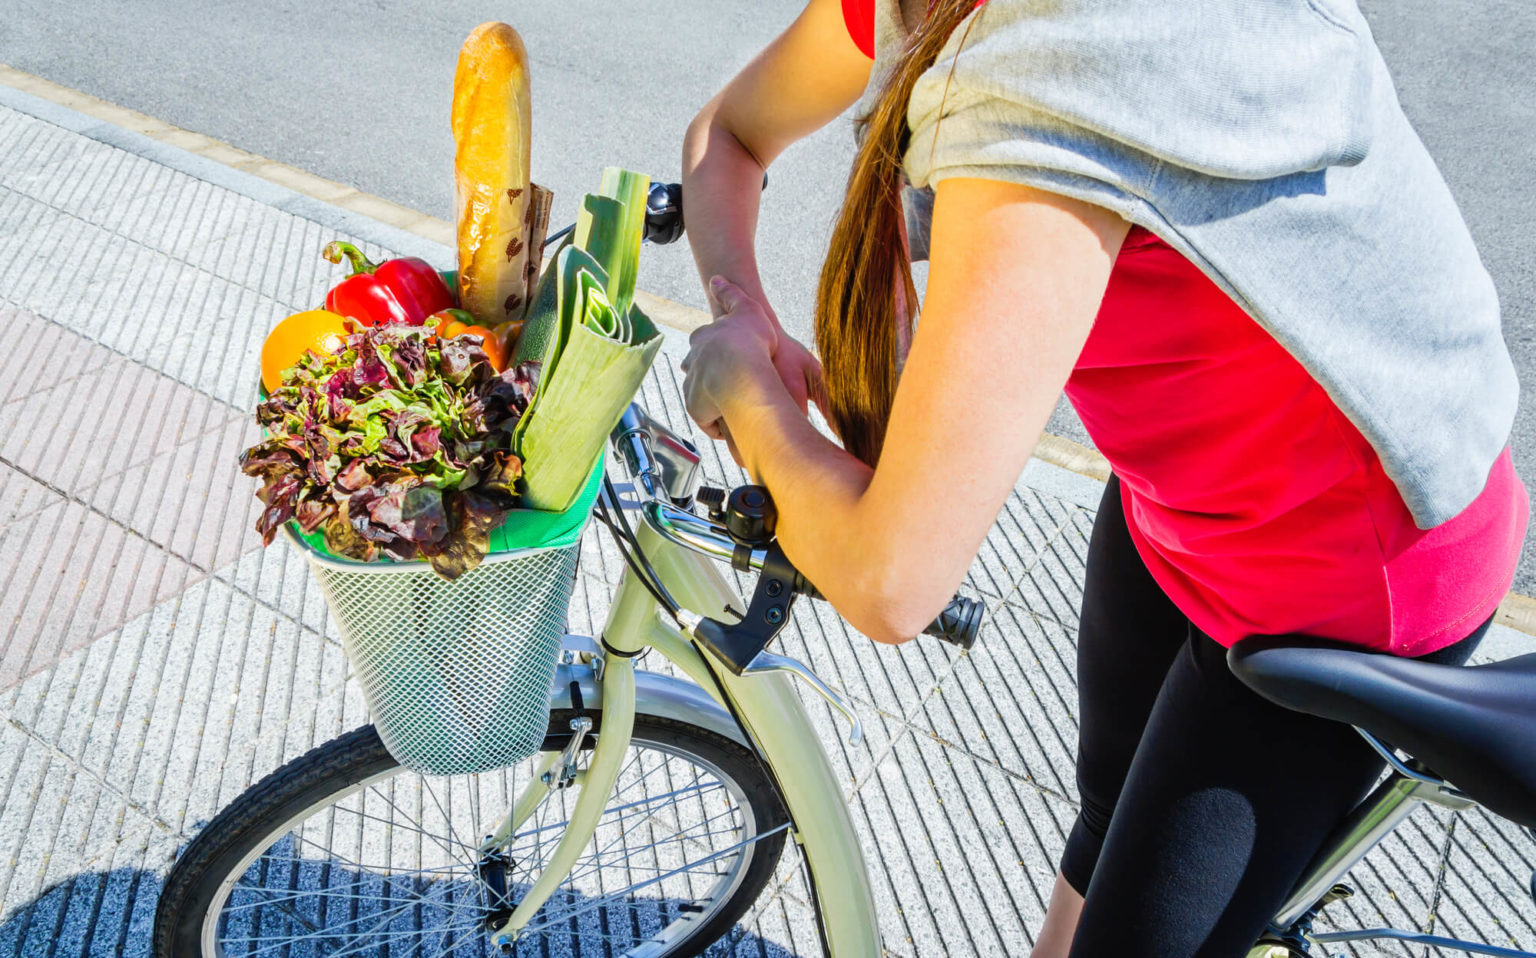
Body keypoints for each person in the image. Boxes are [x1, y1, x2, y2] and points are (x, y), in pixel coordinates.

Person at [677, 0, 1529, 954]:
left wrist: (749, 397)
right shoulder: (941, 15)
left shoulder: (1050, 79)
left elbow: (891, 579)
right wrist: (739, 310)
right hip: (1186, 492)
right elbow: (729, 136)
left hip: (1346, 572)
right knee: (1108, 814)